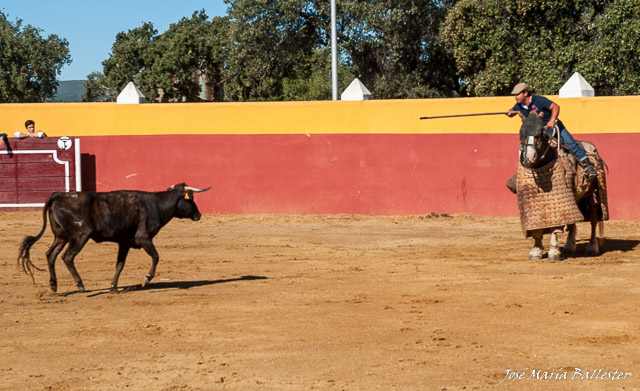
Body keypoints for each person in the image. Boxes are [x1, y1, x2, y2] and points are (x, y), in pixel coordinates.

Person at [506, 82, 596, 182]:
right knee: (524, 148)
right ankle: (524, 173)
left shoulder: (539, 100)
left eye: (517, 94)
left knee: (571, 144)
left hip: (554, 128)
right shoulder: (519, 105)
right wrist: (509, 112)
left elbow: (556, 107)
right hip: (538, 133)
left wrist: (552, 120)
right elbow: (512, 112)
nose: (515, 97)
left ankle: (588, 167)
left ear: (525, 93)